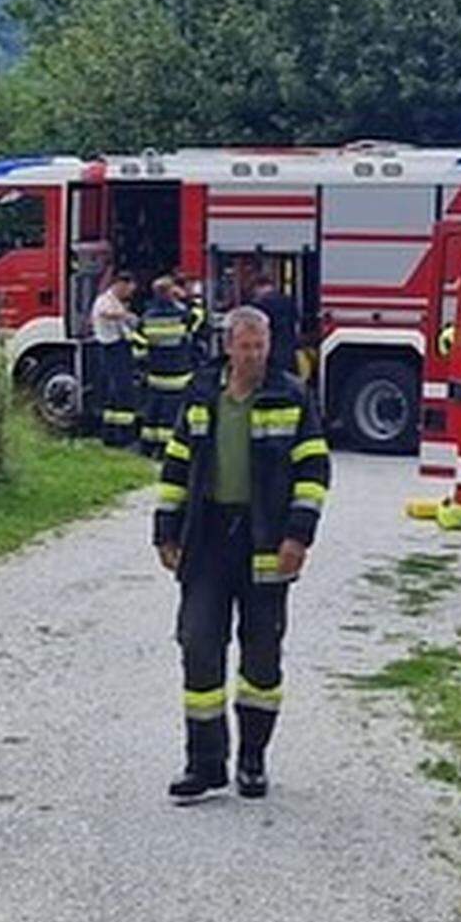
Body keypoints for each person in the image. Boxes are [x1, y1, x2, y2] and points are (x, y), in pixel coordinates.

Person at [153, 306, 331, 801]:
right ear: (228, 346)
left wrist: (298, 537)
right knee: (199, 645)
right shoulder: (202, 393)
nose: (254, 355)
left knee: (261, 657)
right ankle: (204, 763)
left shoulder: (292, 396)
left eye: (261, 346)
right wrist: (166, 530)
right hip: (208, 540)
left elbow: (314, 472)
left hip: (266, 543)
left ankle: (253, 759)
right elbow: (177, 464)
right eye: (245, 346)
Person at [136, 275, 196, 456]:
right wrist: (188, 298)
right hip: (178, 374)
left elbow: (139, 350)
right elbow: (200, 321)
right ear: (171, 292)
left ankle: (147, 448)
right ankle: (165, 449)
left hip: (155, 374)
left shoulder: (147, 318)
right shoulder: (181, 315)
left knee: (153, 412)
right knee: (171, 414)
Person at [91, 271, 139, 447]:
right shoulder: (105, 301)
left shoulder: (116, 301)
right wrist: (125, 316)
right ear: (120, 284)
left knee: (119, 392)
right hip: (111, 349)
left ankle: (115, 434)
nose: (130, 294)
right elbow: (105, 313)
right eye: (129, 290)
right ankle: (119, 435)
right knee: (119, 391)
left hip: (119, 349)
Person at [248, 275, 299, 380]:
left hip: (272, 352)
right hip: (289, 350)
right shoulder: (288, 301)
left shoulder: (259, 305)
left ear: (258, 287)